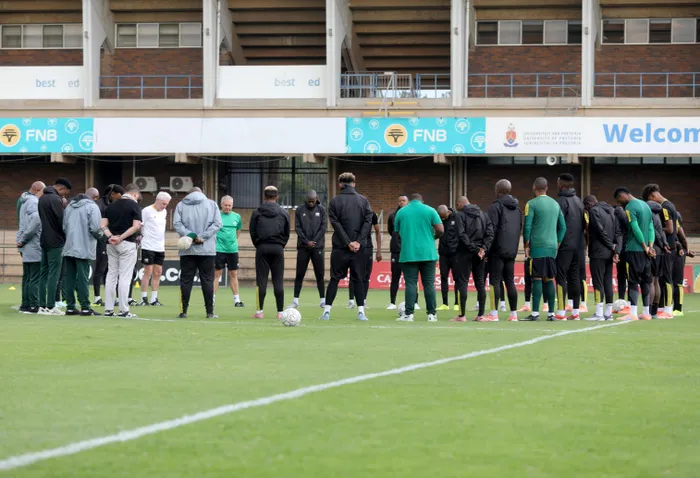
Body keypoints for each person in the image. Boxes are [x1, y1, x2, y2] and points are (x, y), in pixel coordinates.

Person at [320, 172, 373, 322]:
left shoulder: (334, 201)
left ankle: (326, 312)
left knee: (334, 278)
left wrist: (347, 242)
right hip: (358, 248)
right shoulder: (364, 200)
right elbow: (367, 222)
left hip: (340, 247)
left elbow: (336, 224)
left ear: (339, 184)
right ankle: (361, 312)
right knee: (358, 279)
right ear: (354, 183)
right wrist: (358, 241)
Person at [520, 177, 566, 322]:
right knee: (550, 278)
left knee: (537, 278)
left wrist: (526, 245)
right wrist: (557, 243)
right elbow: (563, 227)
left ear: (534, 187)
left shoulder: (531, 204)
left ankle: (535, 314)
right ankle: (551, 314)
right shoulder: (555, 204)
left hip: (538, 246)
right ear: (546, 188)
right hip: (552, 246)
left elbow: (527, 226)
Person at [173, 187, 222, 319]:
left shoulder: (181, 205)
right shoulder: (212, 204)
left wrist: (191, 236)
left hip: (187, 249)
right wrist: (202, 237)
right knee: (207, 280)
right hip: (207, 249)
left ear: (189, 194)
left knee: (186, 281)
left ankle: (183, 311)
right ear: (201, 193)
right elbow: (218, 224)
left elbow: (177, 224)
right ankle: (209, 312)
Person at [394, 194, 443, 322]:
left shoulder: (401, 212)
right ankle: (431, 314)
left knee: (410, 283)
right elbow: (440, 229)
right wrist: (433, 237)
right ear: (422, 201)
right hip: (428, 253)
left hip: (409, 252)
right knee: (429, 284)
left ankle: (409, 314)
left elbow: (396, 232)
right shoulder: (430, 210)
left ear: (410, 201)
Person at [101, 184, 142, 318]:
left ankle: (108, 309)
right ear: (135, 194)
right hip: (127, 243)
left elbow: (103, 225)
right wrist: (121, 237)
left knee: (111, 275)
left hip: (111, 244)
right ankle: (124, 310)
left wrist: (111, 237)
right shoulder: (135, 206)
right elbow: (136, 226)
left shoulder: (111, 206)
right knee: (125, 276)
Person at [614, 187, 655, 321]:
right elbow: (651, 227)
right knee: (646, 281)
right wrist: (650, 247)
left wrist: (643, 246)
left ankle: (632, 313)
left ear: (622, 196)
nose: (619, 203)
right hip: (646, 252)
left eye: (618, 200)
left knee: (632, 281)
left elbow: (635, 227)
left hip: (633, 250)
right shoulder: (646, 205)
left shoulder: (630, 207)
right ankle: (646, 313)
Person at [250, 186, 290, 319]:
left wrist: (258, 244)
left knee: (261, 281)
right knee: (278, 280)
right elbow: (287, 232)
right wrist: (281, 244)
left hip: (262, 247)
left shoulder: (257, 213)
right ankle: (280, 313)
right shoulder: (284, 213)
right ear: (277, 197)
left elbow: (252, 231)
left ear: (264, 197)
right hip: (278, 248)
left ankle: (259, 312)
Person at [452, 196, 494, 322]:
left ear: (460, 204)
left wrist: (474, 249)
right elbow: (490, 234)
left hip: (464, 253)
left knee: (462, 282)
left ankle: (461, 316)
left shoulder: (460, 215)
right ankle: (481, 315)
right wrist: (483, 249)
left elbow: (461, 234)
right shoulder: (483, 214)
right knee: (480, 283)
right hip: (480, 254)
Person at [62, 188, 103, 316]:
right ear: (95, 197)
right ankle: (85, 306)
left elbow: (64, 226)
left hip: (69, 246)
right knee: (82, 278)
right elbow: (95, 228)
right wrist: (101, 235)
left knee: (69, 278)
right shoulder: (92, 207)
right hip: (84, 247)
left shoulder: (69, 207)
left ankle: (70, 307)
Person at [486, 179, 522, 321]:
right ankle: (513, 314)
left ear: (498, 190)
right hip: (512, 249)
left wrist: (487, 250)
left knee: (495, 281)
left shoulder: (495, 207)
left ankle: (493, 313)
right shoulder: (517, 209)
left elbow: (491, 230)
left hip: (497, 250)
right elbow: (519, 228)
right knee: (510, 281)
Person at [642, 184, 678, 318]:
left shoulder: (665, 207)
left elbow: (670, 229)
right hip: (666, 246)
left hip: (664, 247)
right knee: (659, 280)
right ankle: (660, 309)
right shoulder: (669, 205)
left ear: (652, 196)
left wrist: (656, 231)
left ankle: (668, 310)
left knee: (665, 279)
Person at [583, 195, 621, 321]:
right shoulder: (612, 211)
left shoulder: (594, 211)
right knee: (607, 281)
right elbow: (618, 232)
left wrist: (610, 245)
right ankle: (608, 314)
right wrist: (616, 249)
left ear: (589, 203)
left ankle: (599, 314)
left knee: (598, 282)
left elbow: (600, 231)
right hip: (609, 253)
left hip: (598, 252)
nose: (586, 210)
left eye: (586, 207)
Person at [38, 178, 72, 315]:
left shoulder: (42, 198)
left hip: (44, 239)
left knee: (43, 273)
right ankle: (51, 306)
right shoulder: (55, 199)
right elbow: (62, 222)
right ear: (61, 188)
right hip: (56, 241)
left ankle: (42, 306)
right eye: (65, 192)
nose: (64, 195)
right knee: (54, 274)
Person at [554, 173, 585, 321]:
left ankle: (561, 312)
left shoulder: (560, 202)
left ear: (561, 184)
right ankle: (575, 312)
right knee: (575, 277)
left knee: (561, 277)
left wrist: (557, 243)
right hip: (579, 245)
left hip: (565, 245)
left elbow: (558, 225)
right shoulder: (579, 201)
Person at [291, 191, 326, 309]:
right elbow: (298, 228)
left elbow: (323, 227)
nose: (311, 203)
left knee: (319, 274)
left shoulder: (321, 210)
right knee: (299, 274)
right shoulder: (300, 210)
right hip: (303, 247)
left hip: (317, 246)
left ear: (316, 199)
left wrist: (314, 241)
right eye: (309, 201)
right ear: (306, 199)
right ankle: (295, 300)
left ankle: (323, 300)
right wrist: (307, 242)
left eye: (313, 201)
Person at [16, 181, 45, 314]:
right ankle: (34, 304)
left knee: (27, 276)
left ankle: (25, 304)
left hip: (25, 244)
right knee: (34, 276)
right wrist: (24, 239)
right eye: (43, 191)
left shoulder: (24, 202)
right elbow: (36, 221)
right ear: (38, 189)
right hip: (33, 243)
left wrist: (21, 240)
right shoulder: (34, 202)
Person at [387, 196, 420, 310]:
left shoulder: (413, 215)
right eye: (399, 201)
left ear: (408, 202)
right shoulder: (393, 216)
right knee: (395, 277)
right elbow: (391, 231)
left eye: (403, 201)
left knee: (412, 278)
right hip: (396, 250)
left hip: (410, 249)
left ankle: (415, 302)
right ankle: (392, 302)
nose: (401, 202)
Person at [139, 191, 171, 307]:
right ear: (157, 200)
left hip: (160, 247)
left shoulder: (164, 212)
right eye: (163, 203)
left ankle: (154, 299)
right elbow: (140, 226)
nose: (164, 206)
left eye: (166, 204)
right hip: (148, 245)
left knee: (158, 273)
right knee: (148, 272)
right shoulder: (146, 211)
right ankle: (143, 298)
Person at [93, 185, 123, 306]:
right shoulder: (99, 205)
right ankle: (97, 297)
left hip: (111, 240)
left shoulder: (112, 205)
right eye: (117, 196)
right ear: (112, 194)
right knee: (100, 268)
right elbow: (98, 224)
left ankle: (110, 297)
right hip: (103, 240)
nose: (118, 199)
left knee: (110, 270)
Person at [214, 195, 244, 308]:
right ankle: (211, 299)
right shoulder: (216, 215)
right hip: (219, 249)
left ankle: (237, 300)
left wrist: (233, 242)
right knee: (217, 274)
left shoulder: (237, 216)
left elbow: (238, 231)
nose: (228, 207)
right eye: (226, 205)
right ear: (221, 205)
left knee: (233, 274)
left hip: (232, 250)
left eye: (230, 205)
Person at [348, 210, 381, 308]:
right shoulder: (353, 213)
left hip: (367, 247)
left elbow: (377, 231)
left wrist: (379, 250)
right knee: (354, 273)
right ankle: (351, 301)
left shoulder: (372, 214)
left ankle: (364, 300)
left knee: (366, 275)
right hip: (355, 246)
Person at [647, 200, 670, 319]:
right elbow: (661, 232)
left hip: (654, 250)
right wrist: (665, 244)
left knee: (651, 281)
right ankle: (655, 312)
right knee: (656, 281)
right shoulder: (657, 216)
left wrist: (660, 244)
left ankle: (649, 311)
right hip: (660, 251)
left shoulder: (650, 216)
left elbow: (654, 232)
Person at [436, 205, 459, 312]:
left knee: (457, 278)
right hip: (443, 254)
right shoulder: (439, 219)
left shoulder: (457, 218)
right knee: (443, 277)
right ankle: (445, 303)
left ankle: (457, 303)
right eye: (441, 217)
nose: (442, 218)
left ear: (448, 212)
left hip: (455, 254)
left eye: (443, 216)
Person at [673, 212, 695, 316]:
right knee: (670, 282)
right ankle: (669, 307)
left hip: (678, 254)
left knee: (677, 282)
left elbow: (683, 238)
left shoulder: (676, 226)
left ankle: (678, 308)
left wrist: (686, 250)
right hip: (675, 252)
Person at [613, 204, 630, 313]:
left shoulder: (622, 218)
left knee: (625, 277)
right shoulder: (622, 218)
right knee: (622, 276)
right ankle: (622, 302)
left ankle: (628, 304)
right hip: (623, 250)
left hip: (626, 250)